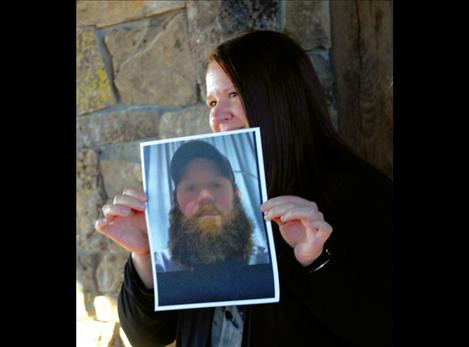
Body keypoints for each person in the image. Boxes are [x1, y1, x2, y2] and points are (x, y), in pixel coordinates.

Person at [95, 30, 392, 346]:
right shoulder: (200, 221)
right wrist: (144, 255)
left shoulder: (361, 193)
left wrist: (317, 263)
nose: (218, 116)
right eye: (212, 101)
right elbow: (147, 337)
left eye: (234, 95)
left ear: (281, 97)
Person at [154, 139, 269, 272]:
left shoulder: (270, 260)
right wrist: (140, 258)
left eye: (216, 185)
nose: (205, 197)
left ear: (236, 194)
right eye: (191, 188)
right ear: (175, 200)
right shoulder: (156, 268)